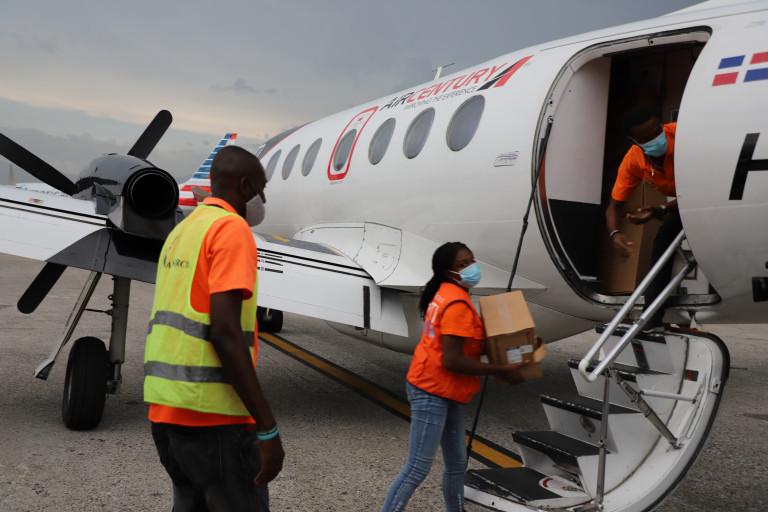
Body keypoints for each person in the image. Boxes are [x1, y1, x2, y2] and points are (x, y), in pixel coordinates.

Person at [144, 145, 283, 511]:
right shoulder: (230, 228)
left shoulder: (184, 230)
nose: (263, 199)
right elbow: (225, 332)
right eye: (261, 189)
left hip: (167, 413)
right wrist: (267, 425)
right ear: (245, 186)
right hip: (214, 418)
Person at [380, 242, 527, 512]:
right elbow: (453, 359)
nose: (472, 267)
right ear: (449, 272)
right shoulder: (457, 303)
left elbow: (468, 345)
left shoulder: (449, 293)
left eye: (472, 260)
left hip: (445, 389)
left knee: (457, 464)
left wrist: (511, 348)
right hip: (431, 390)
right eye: (463, 264)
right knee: (417, 468)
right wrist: (500, 369)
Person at [605, 106, 682, 331]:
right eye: (647, 138)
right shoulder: (633, 160)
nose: (657, 139)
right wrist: (615, 234)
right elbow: (613, 207)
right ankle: (652, 318)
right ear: (633, 141)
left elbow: (702, 189)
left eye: (658, 131)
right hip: (684, 204)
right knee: (663, 241)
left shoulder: (682, 136)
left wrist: (662, 209)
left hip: (710, 198)